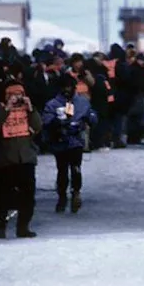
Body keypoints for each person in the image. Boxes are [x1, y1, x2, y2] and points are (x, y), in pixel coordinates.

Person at [0, 81, 42, 239]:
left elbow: (38, 126)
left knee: (28, 196)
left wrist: (31, 110)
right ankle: (0, 227)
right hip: (6, 159)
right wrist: (6, 109)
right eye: (13, 95)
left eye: (20, 94)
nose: (17, 98)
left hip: (26, 158)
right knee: (2, 196)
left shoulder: (28, 109)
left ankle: (23, 227)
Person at [42, 73, 98, 213]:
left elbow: (92, 116)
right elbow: (46, 121)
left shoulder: (82, 102)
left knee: (75, 168)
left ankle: (76, 192)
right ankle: (62, 196)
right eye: (64, 87)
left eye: (70, 87)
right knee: (62, 170)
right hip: (59, 141)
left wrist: (89, 119)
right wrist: (57, 122)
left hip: (76, 141)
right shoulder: (53, 104)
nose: (67, 90)